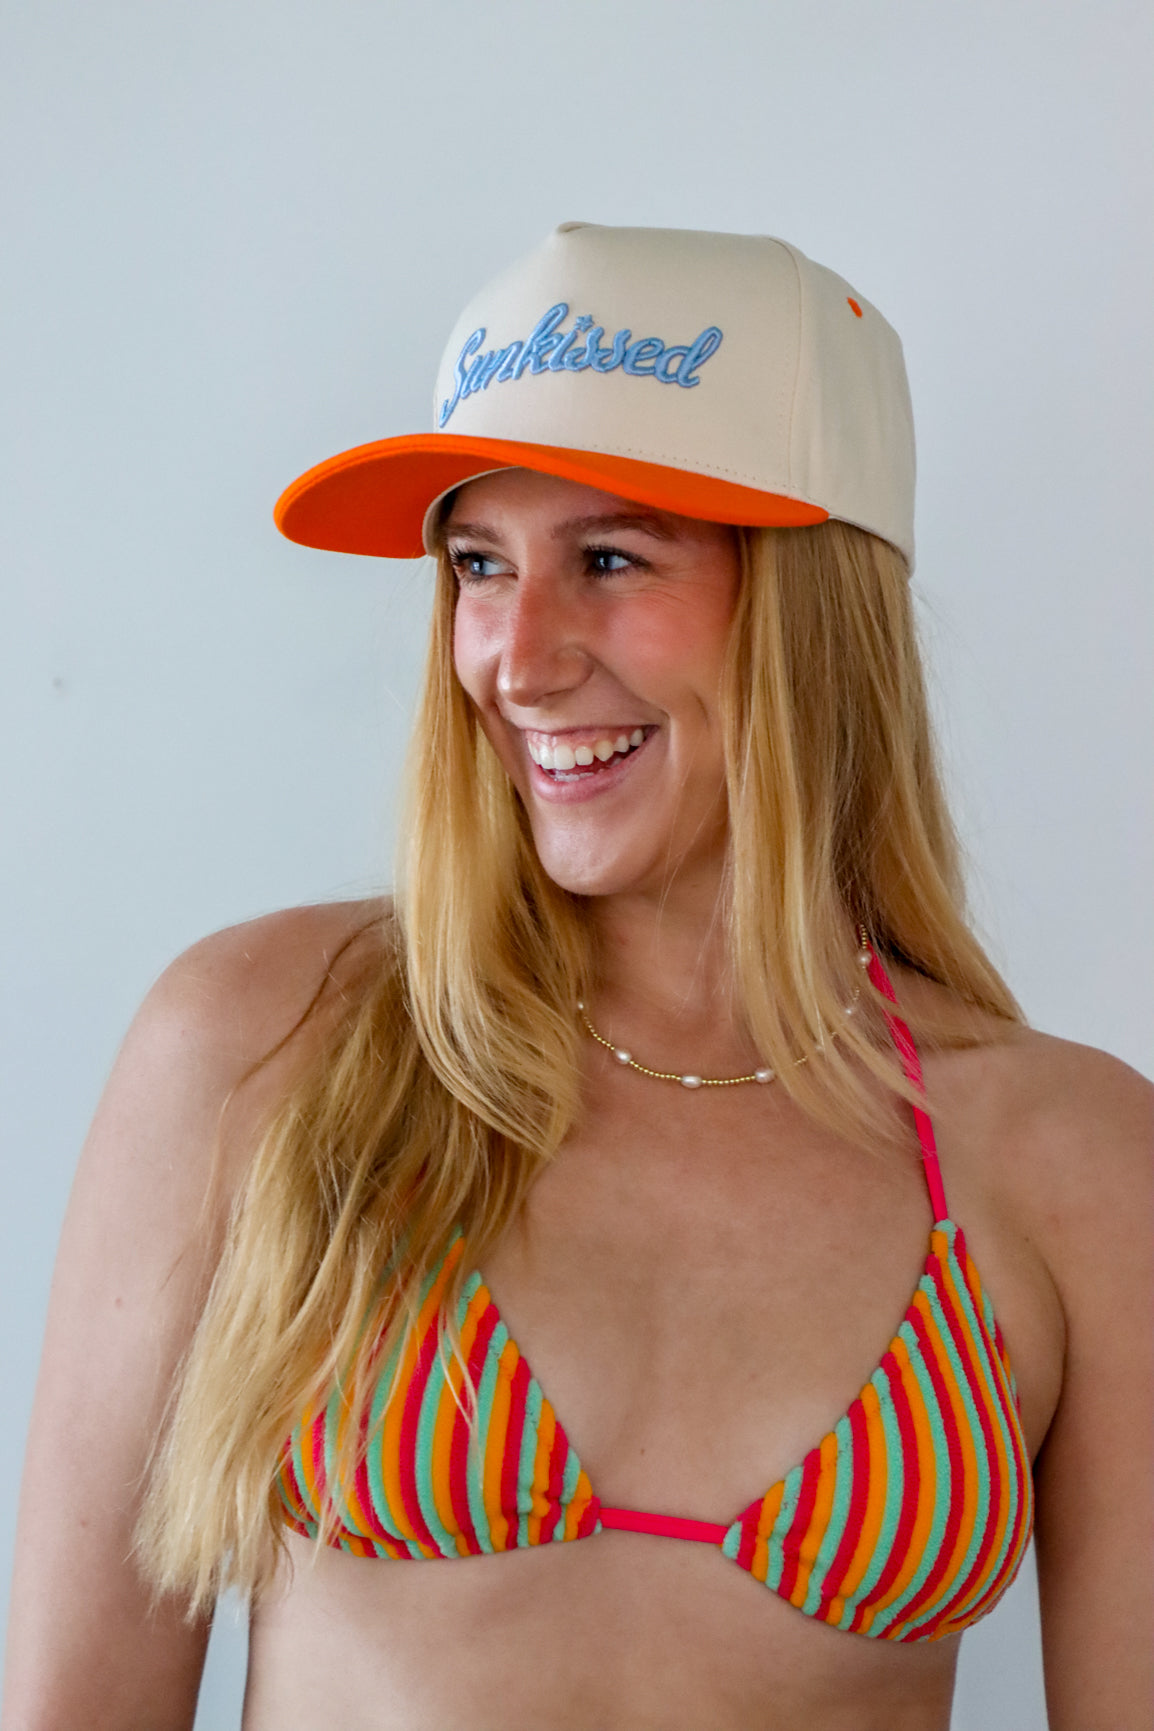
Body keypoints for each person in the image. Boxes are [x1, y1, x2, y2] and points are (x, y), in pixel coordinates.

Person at [4, 223, 1151, 1731]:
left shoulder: (1066, 1157)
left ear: (815, 608)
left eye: (608, 560)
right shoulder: (262, 1040)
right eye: (480, 565)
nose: (517, 658)